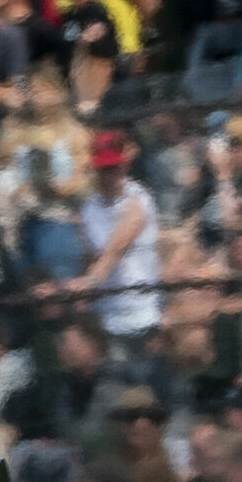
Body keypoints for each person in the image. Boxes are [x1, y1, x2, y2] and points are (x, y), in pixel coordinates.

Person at [71, 131, 163, 340]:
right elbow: (90, 258)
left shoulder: (139, 200)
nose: (108, 176)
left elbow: (115, 250)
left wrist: (85, 283)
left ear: (124, 166)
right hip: (105, 316)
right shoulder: (88, 208)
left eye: (113, 168)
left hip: (142, 314)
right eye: (102, 169)